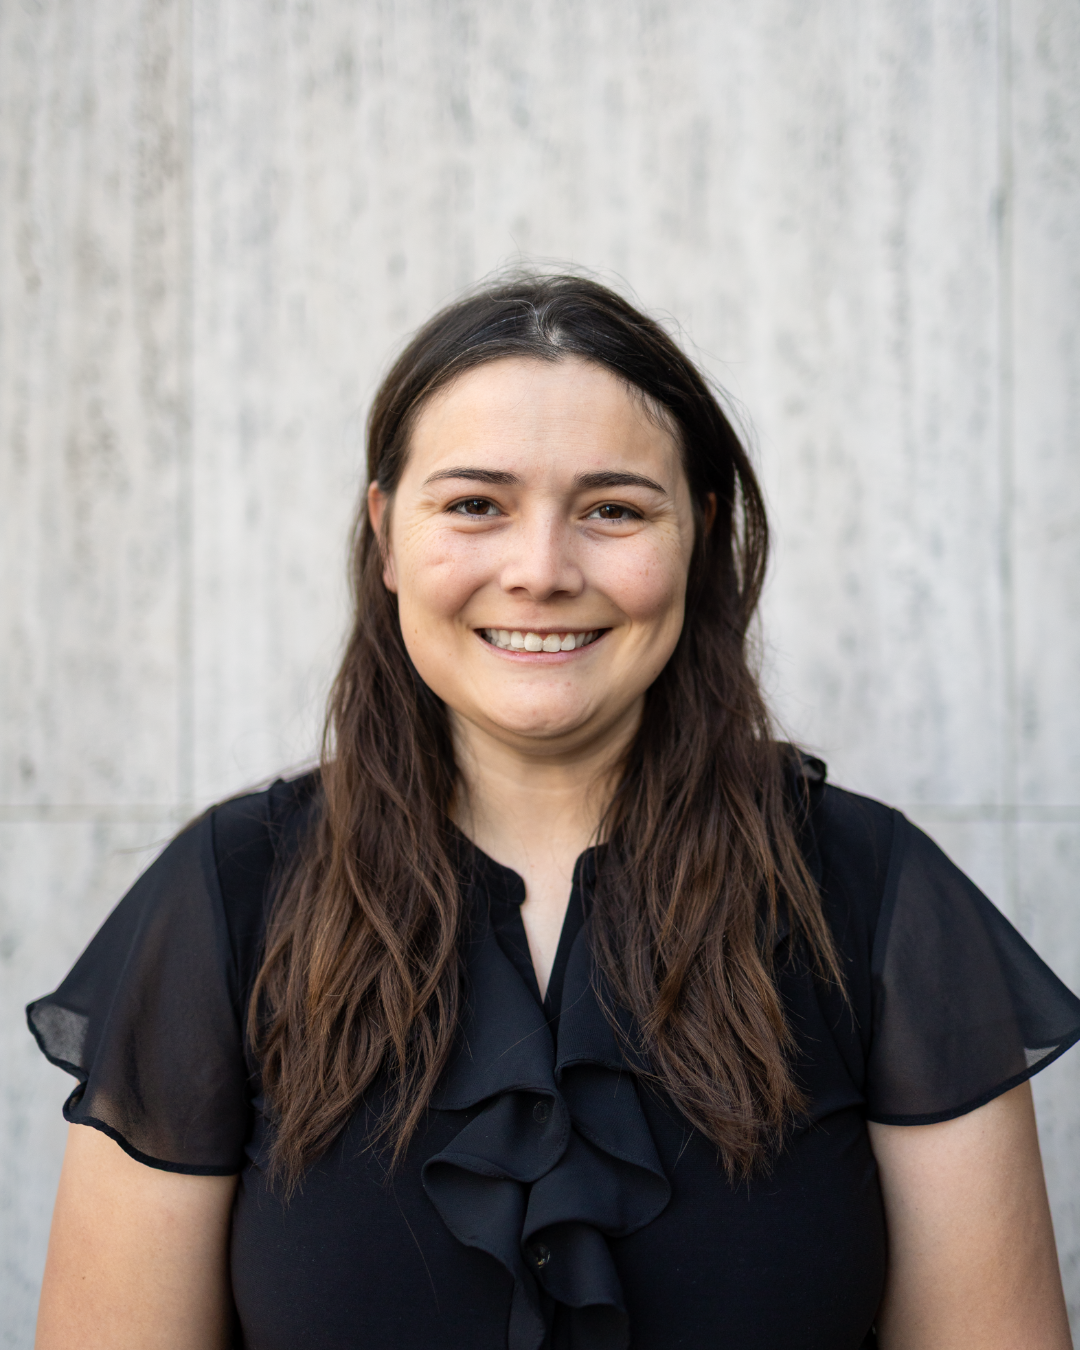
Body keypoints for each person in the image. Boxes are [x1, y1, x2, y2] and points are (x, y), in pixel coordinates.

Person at [28, 274, 1080, 1350]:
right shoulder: (228, 898)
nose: (540, 571)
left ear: (698, 535)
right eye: (475, 505)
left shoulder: (874, 897)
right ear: (387, 534)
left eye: (613, 510)